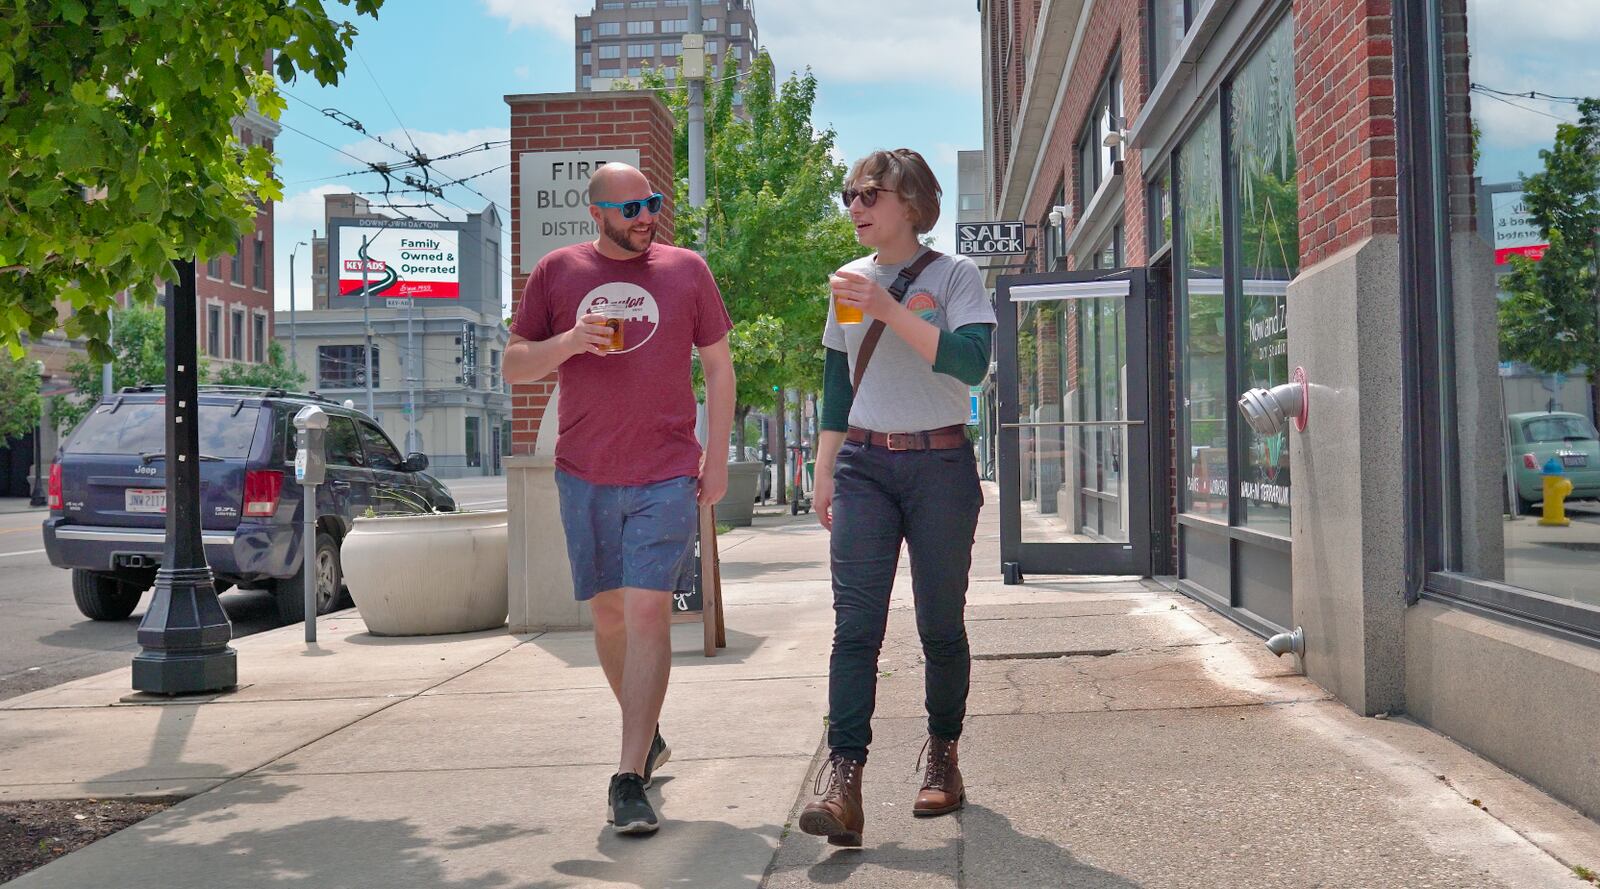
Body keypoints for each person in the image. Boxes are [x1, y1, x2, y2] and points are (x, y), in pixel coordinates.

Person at [503, 162, 735, 836]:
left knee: (646, 610)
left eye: (652, 203)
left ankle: (628, 775)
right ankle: (648, 735)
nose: (645, 216)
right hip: (585, 471)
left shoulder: (687, 270)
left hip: (665, 470)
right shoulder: (556, 273)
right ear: (596, 214)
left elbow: (719, 368)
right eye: (630, 207)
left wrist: (714, 458)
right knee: (607, 616)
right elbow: (515, 364)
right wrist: (570, 341)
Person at [797, 148, 995, 847]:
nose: (855, 205)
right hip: (863, 468)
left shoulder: (955, 275)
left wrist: (887, 307)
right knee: (855, 627)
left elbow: (972, 362)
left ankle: (944, 754)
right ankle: (844, 779)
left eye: (869, 193)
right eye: (848, 193)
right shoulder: (846, 281)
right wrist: (823, 472)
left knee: (940, 624)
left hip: (941, 463)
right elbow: (838, 385)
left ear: (910, 202)